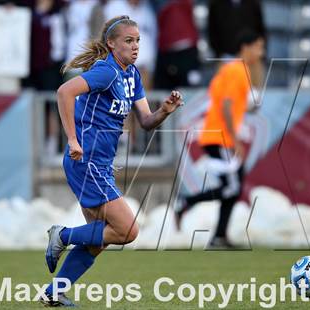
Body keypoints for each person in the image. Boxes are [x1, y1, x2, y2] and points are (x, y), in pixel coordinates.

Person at [41, 15, 183, 306]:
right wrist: (71, 139)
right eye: (128, 41)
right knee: (128, 230)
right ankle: (63, 235)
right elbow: (64, 92)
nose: (135, 47)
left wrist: (165, 111)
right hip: (86, 161)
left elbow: (145, 121)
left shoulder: (132, 75)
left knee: (99, 241)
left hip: (100, 164)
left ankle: (53, 293)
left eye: (138, 41)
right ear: (111, 43)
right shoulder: (106, 71)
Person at [175, 29, 265, 249]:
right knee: (233, 188)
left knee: (232, 186)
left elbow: (233, 104)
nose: (260, 53)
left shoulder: (231, 70)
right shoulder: (237, 71)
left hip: (214, 135)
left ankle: (218, 236)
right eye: (258, 47)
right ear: (246, 47)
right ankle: (188, 203)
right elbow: (226, 105)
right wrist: (235, 141)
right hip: (221, 137)